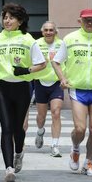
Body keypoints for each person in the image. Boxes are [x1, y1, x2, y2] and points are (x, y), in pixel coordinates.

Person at [0, 3, 47, 182]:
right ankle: (9, 169)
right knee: (6, 128)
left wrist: (26, 69)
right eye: (5, 17)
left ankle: (19, 152)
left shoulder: (29, 40)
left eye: (11, 17)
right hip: (2, 88)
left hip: (22, 88)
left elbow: (42, 64)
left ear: (20, 21)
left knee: (19, 129)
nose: (7, 20)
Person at [52, 9, 92, 177]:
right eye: (86, 20)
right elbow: (56, 62)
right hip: (78, 89)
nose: (89, 23)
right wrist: (62, 79)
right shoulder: (70, 39)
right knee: (80, 129)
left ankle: (88, 162)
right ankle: (75, 149)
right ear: (79, 20)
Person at [32, 21, 64, 156]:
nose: (49, 32)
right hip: (40, 83)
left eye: (51, 30)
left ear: (56, 32)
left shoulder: (62, 44)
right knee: (41, 116)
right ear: (42, 32)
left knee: (56, 112)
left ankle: (55, 145)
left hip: (56, 83)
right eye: (46, 30)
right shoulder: (37, 44)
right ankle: (40, 131)